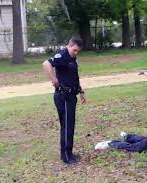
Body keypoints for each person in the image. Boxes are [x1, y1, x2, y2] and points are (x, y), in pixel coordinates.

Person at [42, 36, 87, 165]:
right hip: (63, 96)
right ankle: (66, 157)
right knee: (67, 126)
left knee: (69, 125)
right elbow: (46, 64)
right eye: (74, 50)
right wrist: (54, 79)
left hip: (71, 96)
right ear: (69, 45)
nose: (76, 52)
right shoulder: (62, 55)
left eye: (78, 51)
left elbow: (74, 76)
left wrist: (81, 91)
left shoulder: (72, 57)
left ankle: (67, 153)